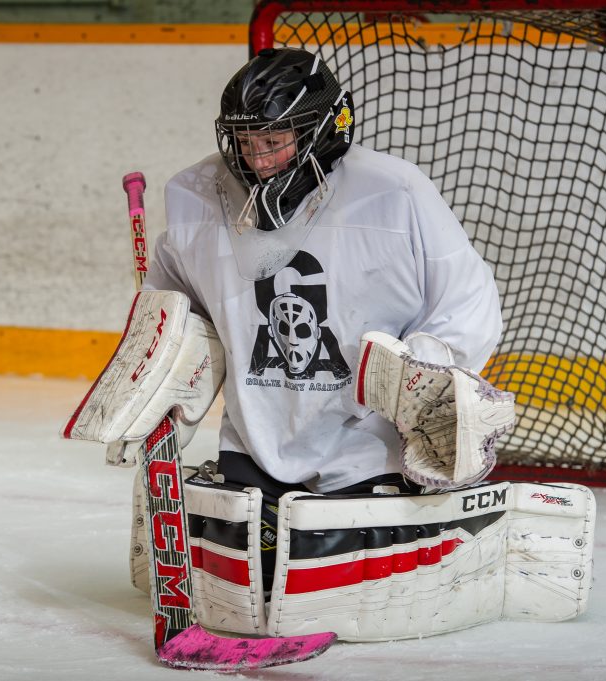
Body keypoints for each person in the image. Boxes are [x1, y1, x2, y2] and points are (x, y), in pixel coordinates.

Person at [142, 47, 504, 593]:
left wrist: (420, 373)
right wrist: (156, 365)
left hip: (365, 444)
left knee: (338, 590)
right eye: (245, 142)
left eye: (274, 142)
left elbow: (469, 301)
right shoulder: (195, 194)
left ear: (324, 128)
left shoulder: (395, 193)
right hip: (255, 435)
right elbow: (173, 305)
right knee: (245, 586)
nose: (258, 160)